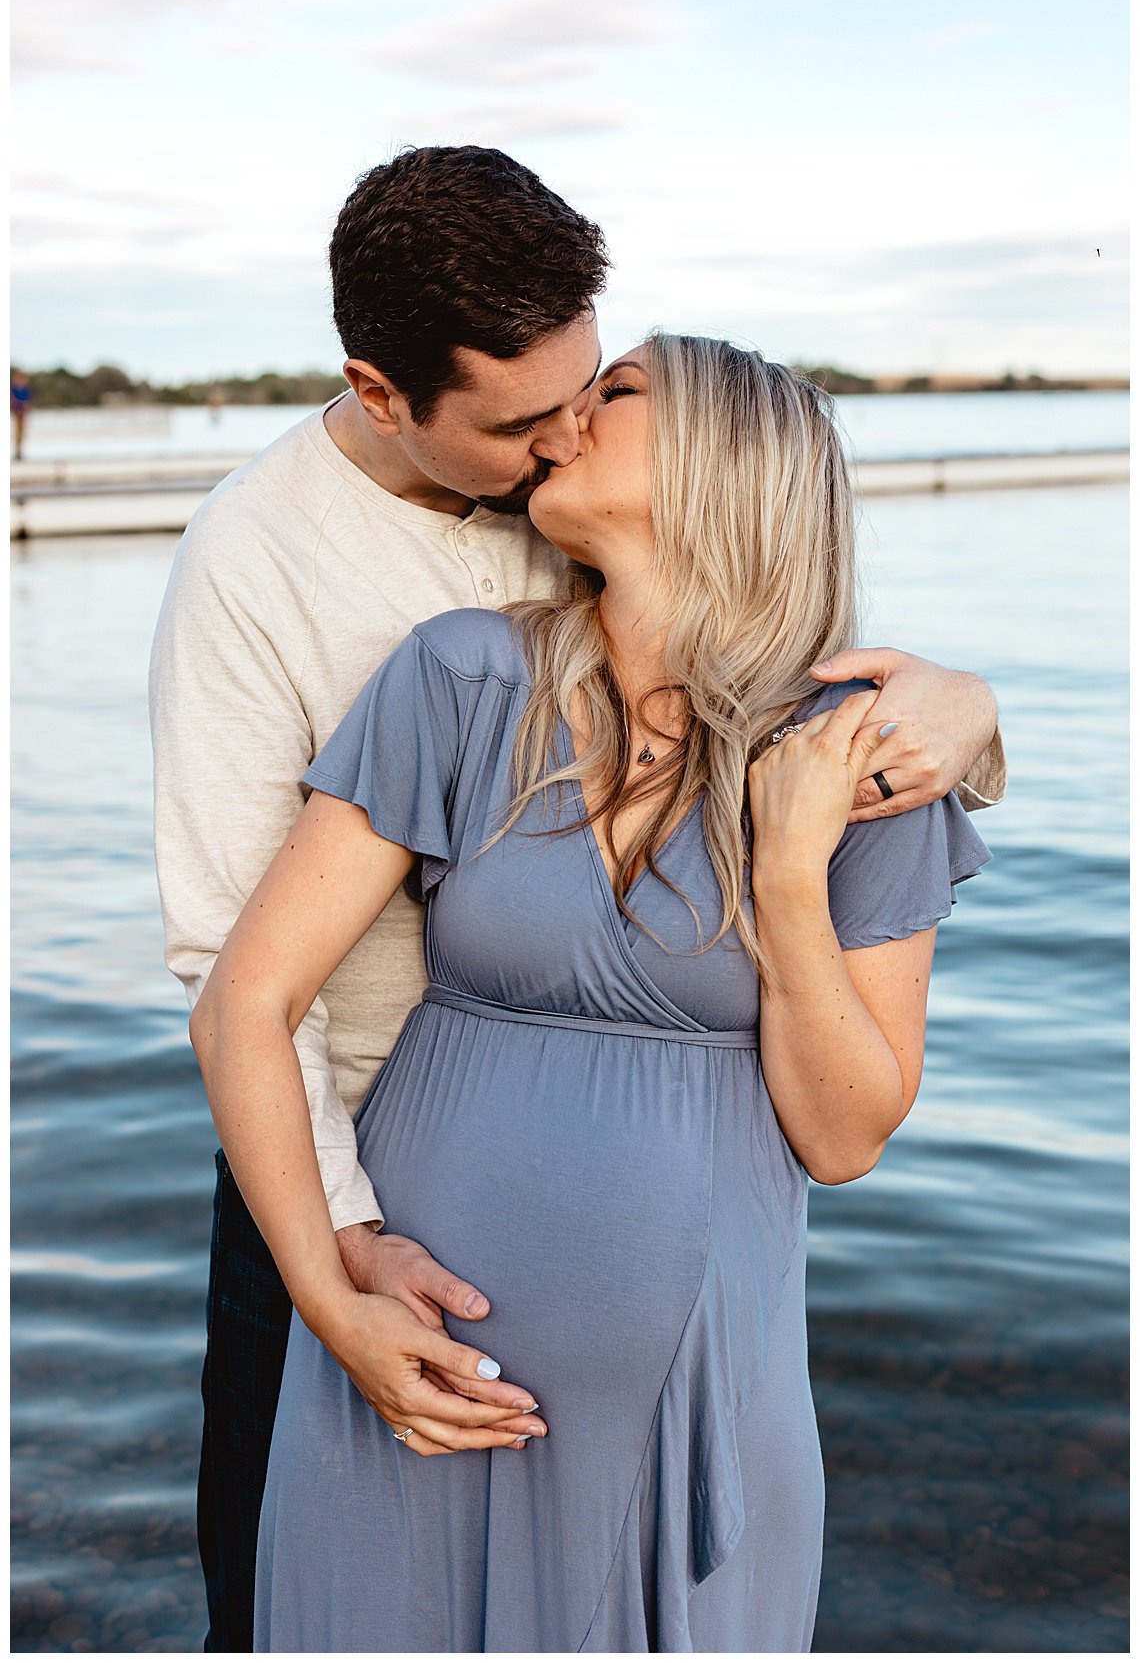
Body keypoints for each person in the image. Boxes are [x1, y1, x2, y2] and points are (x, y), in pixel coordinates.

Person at [150, 146, 1005, 1650]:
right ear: (382, 388)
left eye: (602, 392)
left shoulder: (857, 753)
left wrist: (817, 851)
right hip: (355, 1251)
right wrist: (339, 1297)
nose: (560, 438)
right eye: (532, 420)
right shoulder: (386, 631)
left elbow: (848, 1132)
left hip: (681, 1388)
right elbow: (241, 980)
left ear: (718, 466)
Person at [11, 368, 33, 459]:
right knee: (17, 430)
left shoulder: (25, 389)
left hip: (22, 412)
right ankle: (17, 449)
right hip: (17, 411)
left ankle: (19, 449)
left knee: (21, 431)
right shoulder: (13, 389)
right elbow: (12, 400)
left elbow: (28, 401)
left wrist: (25, 407)